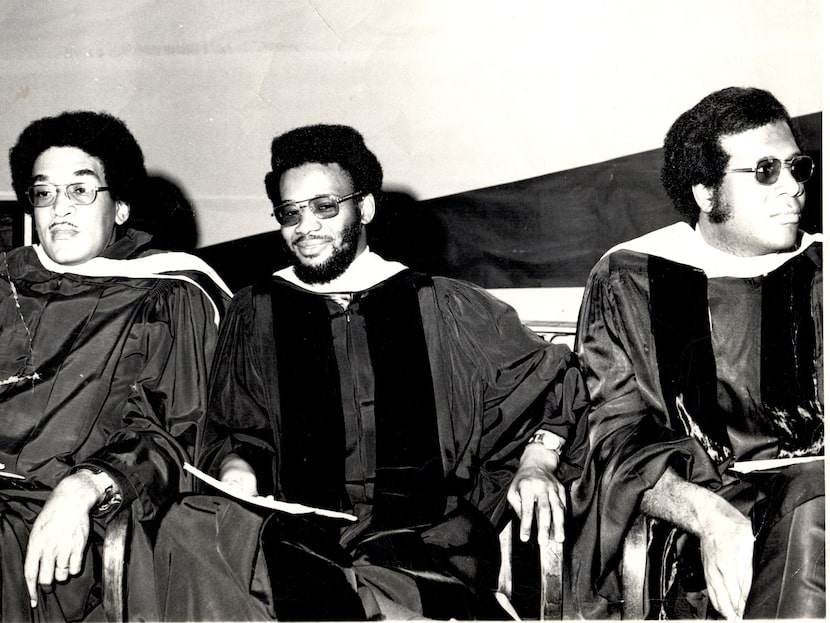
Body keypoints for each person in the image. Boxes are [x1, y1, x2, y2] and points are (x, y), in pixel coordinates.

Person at [153, 123, 589, 620]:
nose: (305, 226)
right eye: (290, 213)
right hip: (295, 530)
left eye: (324, 207)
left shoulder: (441, 304)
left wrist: (538, 462)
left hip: (419, 538)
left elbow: (554, 383)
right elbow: (238, 425)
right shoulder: (256, 311)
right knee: (186, 526)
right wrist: (237, 467)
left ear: (364, 208)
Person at [569, 87, 824, 620]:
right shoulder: (631, 280)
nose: (794, 188)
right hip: (699, 526)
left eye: (797, 166)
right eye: (764, 171)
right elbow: (611, 442)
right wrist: (711, 517)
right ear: (707, 194)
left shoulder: (821, 268)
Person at [0, 110, 231, 621]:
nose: (59, 208)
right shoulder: (5, 284)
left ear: (121, 206)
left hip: (64, 514)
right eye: (43, 193)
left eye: (80, 191)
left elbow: (174, 432)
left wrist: (86, 485)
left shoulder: (167, 295)